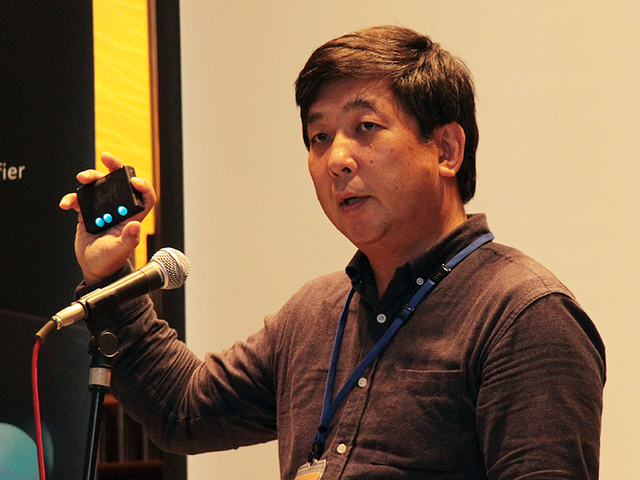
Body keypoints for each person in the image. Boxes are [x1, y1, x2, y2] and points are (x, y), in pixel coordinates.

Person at [60, 25, 605, 479]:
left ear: (446, 149)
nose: (337, 159)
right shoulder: (315, 313)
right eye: (319, 137)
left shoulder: (524, 316)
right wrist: (111, 276)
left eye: (366, 127)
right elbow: (182, 410)